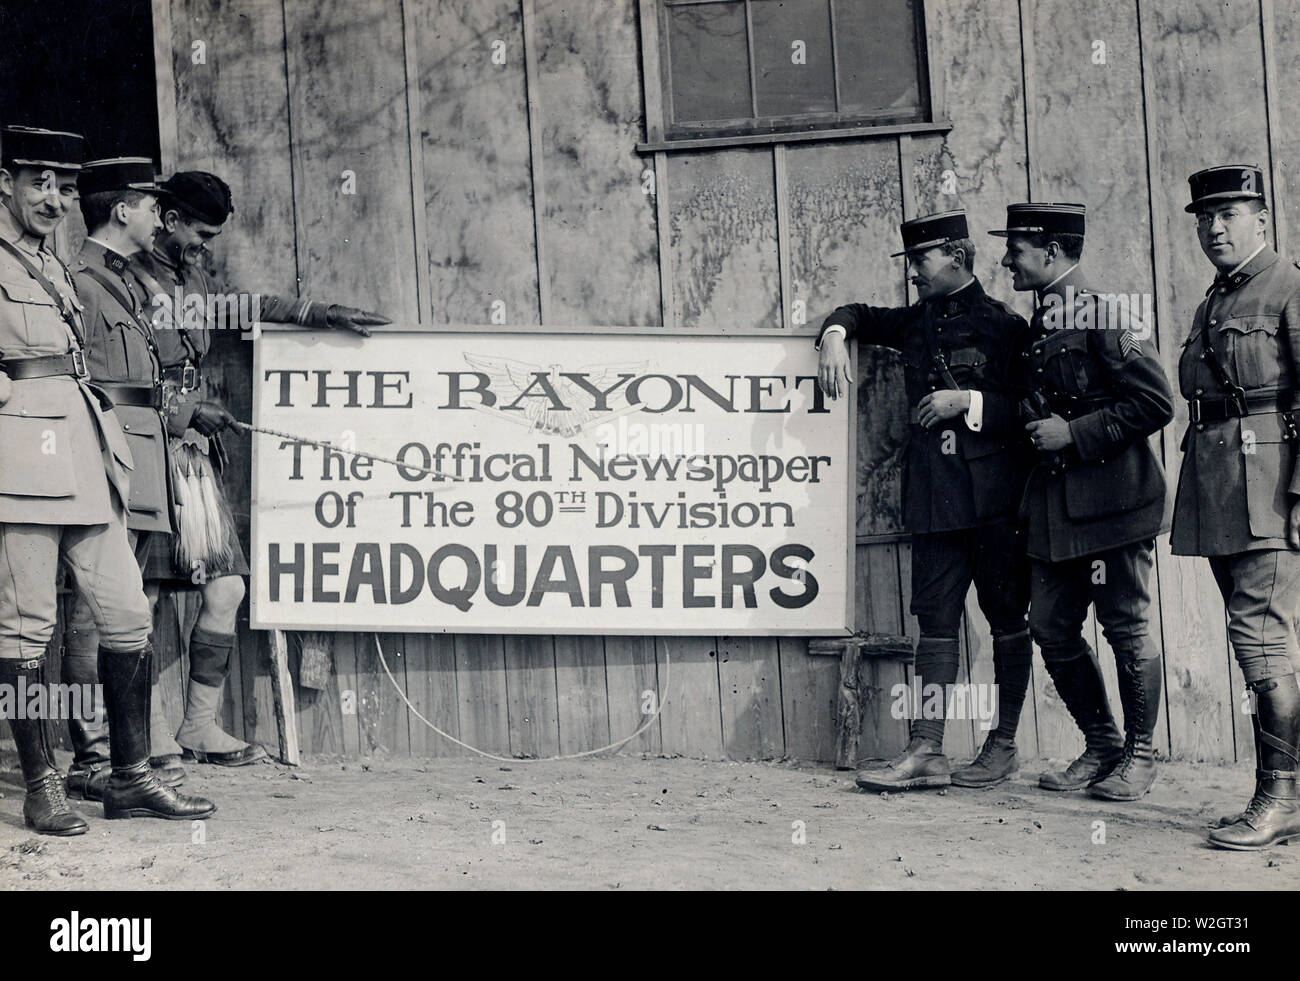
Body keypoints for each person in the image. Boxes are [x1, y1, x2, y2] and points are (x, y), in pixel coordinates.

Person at [123, 171, 388, 768]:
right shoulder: (122, 277)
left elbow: (249, 305)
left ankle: (197, 727)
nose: (206, 245)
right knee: (141, 600)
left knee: (226, 587)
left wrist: (321, 312)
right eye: (200, 231)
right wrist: (184, 410)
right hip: (144, 447)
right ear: (167, 218)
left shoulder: (189, 278)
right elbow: (114, 378)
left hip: (193, 455)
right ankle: (152, 736)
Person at [0, 126, 213, 833]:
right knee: (27, 628)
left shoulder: (55, 267)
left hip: (86, 458)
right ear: (6, 182)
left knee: (126, 612)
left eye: (64, 187)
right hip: (20, 467)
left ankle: (128, 776)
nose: (54, 199)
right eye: (38, 182)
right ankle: (41, 783)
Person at [817, 210, 1035, 790]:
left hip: (996, 504)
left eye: (921, 260)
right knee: (934, 622)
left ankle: (1004, 744)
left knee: (1007, 619)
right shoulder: (915, 324)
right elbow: (857, 313)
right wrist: (836, 334)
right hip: (936, 502)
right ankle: (927, 749)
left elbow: (1033, 413)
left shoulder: (1006, 328)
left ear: (957, 258)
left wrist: (968, 402)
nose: (913, 272)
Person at [991, 202, 1173, 801]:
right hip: (1053, 508)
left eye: (1016, 249)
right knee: (1050, 626)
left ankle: (1141, 755)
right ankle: (1102, 743)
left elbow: (1155, 404)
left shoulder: (1106, 313)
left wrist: (1074, 433)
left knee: (1126, 627)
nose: (1006, 260)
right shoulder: (1037, 325)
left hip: (1113, 505)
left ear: (1052, 252)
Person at [1171, 165, 1300, 850]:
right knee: (1254, 638)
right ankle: (1280, 790)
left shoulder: (1288, 285)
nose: (1214, 228)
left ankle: (1280, 798)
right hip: (1225, 493)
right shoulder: (1215, 301)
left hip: (1273, 491)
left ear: (1261, 218)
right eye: (1204, 217)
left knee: (1262, 638)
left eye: (1229, 214)